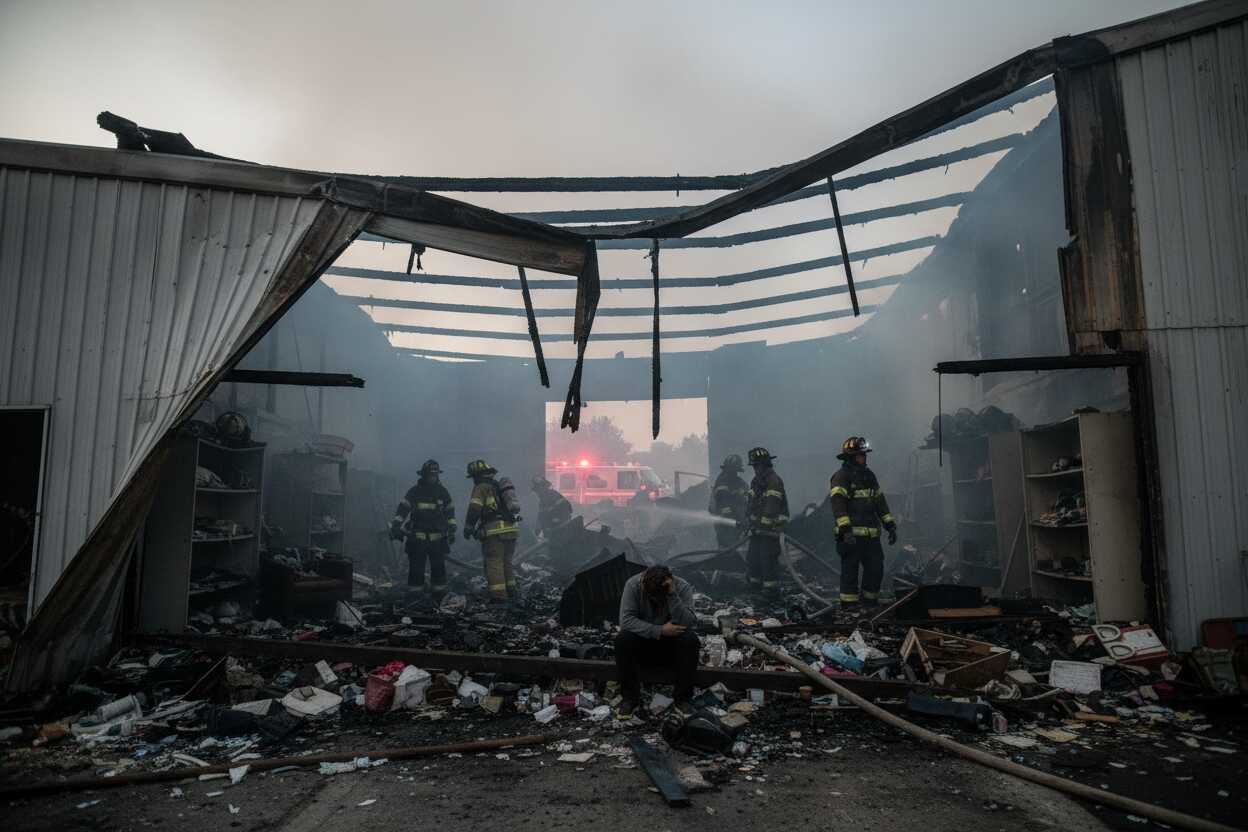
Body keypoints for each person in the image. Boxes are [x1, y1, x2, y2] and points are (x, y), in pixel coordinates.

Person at [614, 564, 700, 719]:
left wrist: (672, 595)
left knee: (690, 640)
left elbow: (689, 622)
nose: (654, 600)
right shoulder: (633, 584)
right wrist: (659, 630)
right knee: (622, 639)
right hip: (644, 641)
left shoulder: (682, 587)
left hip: (671, 644)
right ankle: (630, 698)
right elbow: (626, 621)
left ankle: (683, 699)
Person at [829, 436, 897, 608]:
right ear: (850, 457)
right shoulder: (841, 477)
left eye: (864, 455)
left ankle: (869, 603)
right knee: (850, 573)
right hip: (850, 537)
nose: (864, 458)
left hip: (871, 536)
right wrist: (846, 531)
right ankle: (849, 608)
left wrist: (890, 525)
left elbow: (880, 502)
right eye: (860, 455)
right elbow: (838, 506)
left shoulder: (869, 475)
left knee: (875, 569)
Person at [389, 459, 456, 596]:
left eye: (435, 475)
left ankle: (439, 597)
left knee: (439, 570)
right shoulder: (414, 491)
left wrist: (452, 527)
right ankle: (415, 598)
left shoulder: (442, 492)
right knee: (416, 570)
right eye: (430, 475)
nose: (433, 477)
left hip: (437, 541)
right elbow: (403, 510)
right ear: (424, 475)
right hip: (417, 540)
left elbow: (450, 511)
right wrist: (396, 526)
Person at [463, 459, 521, 601]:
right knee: (506, 562)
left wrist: (468, 527)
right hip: (511, 530)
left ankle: (499, 597)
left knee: (494, 563)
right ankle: (512, 591)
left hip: (495, 533)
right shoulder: (498, 486)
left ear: (477, 475)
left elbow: (474, 509)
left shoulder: (481, 487)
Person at [744, 446, 789, 598]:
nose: (755, 469)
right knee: (753, 557)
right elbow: (751, 504)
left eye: (757, 466)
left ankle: (771, 591)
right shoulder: (756, 481)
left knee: (767, 558)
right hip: (758, 529)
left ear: (765, 465)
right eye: (754, 466)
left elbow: (771, 508)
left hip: (772, 530)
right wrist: (748, 519)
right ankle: (755, 586)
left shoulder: (773, 481)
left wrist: (760, 525)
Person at [708, 454, 749, 551]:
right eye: (733, 471)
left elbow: (744, 492)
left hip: (734, 519)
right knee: (727, 544)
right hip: (724, 521)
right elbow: (724, 503)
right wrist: (738, 520)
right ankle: (726, 556)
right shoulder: (722, 482)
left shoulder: (737, 481)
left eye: (736, 471)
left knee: (736, 544)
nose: (734, 473)